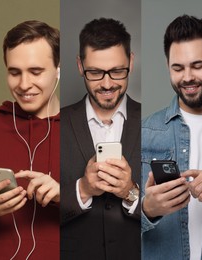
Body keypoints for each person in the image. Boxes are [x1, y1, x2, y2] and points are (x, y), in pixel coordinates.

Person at [141, 15, 202, 260]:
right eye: (178, 68)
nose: (187, 77)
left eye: (197, 66)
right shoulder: (144, 132)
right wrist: (146, 210)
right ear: (168, 66)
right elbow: (116, 220)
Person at [60, 18, 141, 259]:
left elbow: (171, 215)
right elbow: (37, 213)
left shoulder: (153, 122)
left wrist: (130, 192)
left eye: (117, 71)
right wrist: (82, 189)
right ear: (79, 65)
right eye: (95, 73)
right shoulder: (54, 124)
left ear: (131, 62)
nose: (107, 84)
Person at [0, 20, 60, 259]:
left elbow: (106, 229)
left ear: (58, 68)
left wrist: (66, 196)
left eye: (36, 72)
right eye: (14, 72)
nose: (24, 85)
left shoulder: (83, 129)